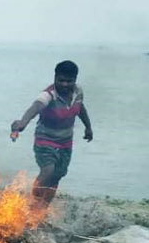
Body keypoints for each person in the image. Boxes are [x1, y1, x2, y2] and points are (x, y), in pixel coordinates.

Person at [11, 60, 93, 207]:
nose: (65, 84)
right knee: (48, 171)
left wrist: (88, 127)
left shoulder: (78, 91)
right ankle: (33, 203)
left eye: (69, 81)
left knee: (57, 175)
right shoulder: (48, 95)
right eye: (61, 80)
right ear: (55, 77)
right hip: (45, 140)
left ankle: (43, 208)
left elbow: (80, 108)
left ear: (75, 80)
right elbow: (35, 108)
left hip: (66, 141)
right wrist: (22, 123)